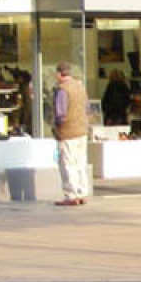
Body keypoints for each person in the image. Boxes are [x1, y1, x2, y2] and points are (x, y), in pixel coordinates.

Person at [52, 61, 89, 206]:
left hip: (68, 132)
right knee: (81, 163)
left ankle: (71, 195)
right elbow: (86, 107)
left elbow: (60, 113)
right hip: (82, 130)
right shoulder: (80, 87)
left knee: (68, 163)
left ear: (59, 74)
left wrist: (57, 127)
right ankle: (82, 193)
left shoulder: (62, 90)